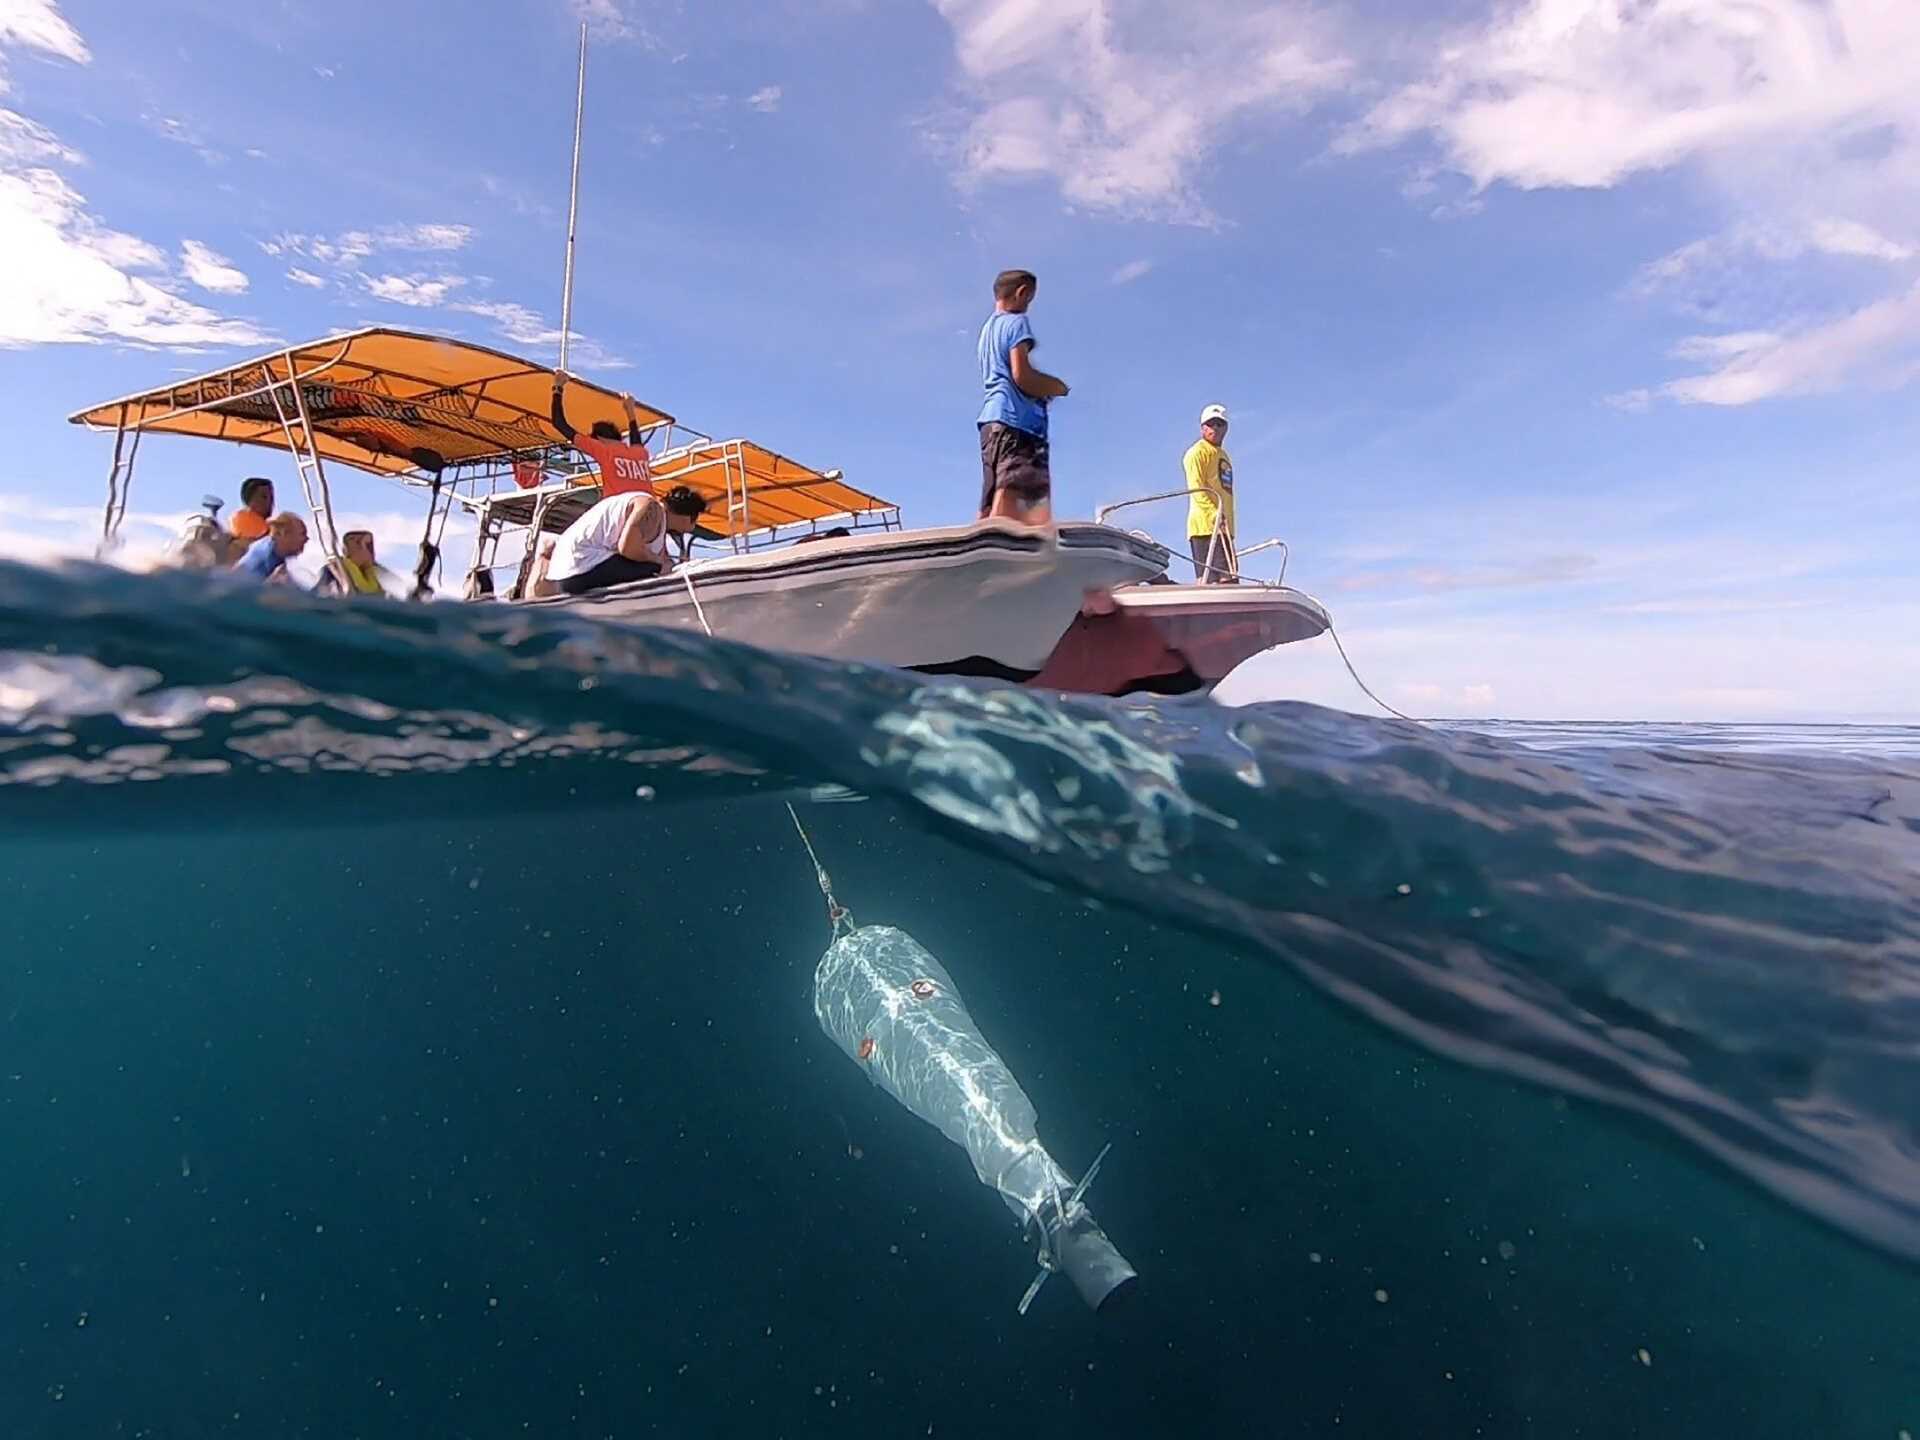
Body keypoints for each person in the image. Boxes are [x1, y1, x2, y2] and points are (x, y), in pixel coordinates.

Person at [976, 268, 1069, 526]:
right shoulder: (1017, 322)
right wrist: (1055, 387)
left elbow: (1005, 375)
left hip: (992, 426)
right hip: (1018, 425)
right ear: (1022, 293)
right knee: (1021, 508)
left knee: (992, 501)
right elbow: (1022, 376)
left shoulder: (987, 331)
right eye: (1029, 299)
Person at [537, 484, 708, 597]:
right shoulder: (651, 508)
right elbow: (628, 548)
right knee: (656, 569)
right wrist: (659, 563)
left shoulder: (655, 518)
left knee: (658, 567)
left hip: (567, 573)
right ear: (688, 518)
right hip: (579, 568)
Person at [551, 370, 653, 495]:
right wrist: (630, 410)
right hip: (648, 506)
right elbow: (636, 439)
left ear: (598, 438)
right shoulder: (641, 454)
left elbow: (559, 423)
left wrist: (558, 386)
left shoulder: (603, 450)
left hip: (619, 508)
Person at [1183, 404, 1238, 584]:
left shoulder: (1224, 456)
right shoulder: (1196, 453)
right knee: (1218, 580)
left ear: (1226, 428)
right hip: (1205, 527)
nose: (1215, 428)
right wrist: (1214, 513)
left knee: (1230, 578)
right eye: (1210, 424)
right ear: (1202, 428)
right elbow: (1196, 488)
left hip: (1224, 528)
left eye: (1219, 424)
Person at [313, 529, 396, 598]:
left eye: (368, 546)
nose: (365, 550)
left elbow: (400, 591)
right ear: (345, 550)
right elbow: (316, 593)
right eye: (358, 544)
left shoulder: (380, 572)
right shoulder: (332, 569)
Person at [232, 512, 308, 583]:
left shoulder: (276, 554)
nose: (306, 539)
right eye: (302, 534)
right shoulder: (263, 555)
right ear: (284, 533)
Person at [228, 478, 274, 551]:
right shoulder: (242, 519)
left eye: (271, 497)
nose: (270, 502)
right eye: (264, 497)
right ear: (249, 500)